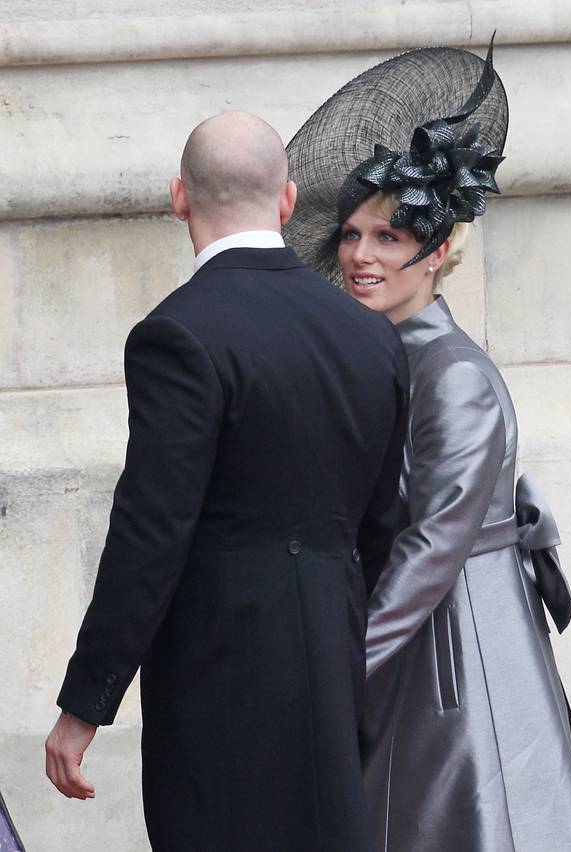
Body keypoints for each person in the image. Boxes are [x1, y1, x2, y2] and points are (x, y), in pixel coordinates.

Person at [284, 41, 571, 852]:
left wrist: (334, 672)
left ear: (436, 254)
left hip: (460, 648)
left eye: (390, 240)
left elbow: (434, 547)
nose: (362, 257)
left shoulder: (455, 374)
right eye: (354, 236)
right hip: (412, 642)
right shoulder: (389, 357)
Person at [45, 111, 410, 852]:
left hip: (222, 676)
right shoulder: (371, 334)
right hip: (336, 661)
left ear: (179, 197)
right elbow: (383, 522)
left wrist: (86, 703)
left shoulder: (177, 334)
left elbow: (151, 531)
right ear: (287, 200)